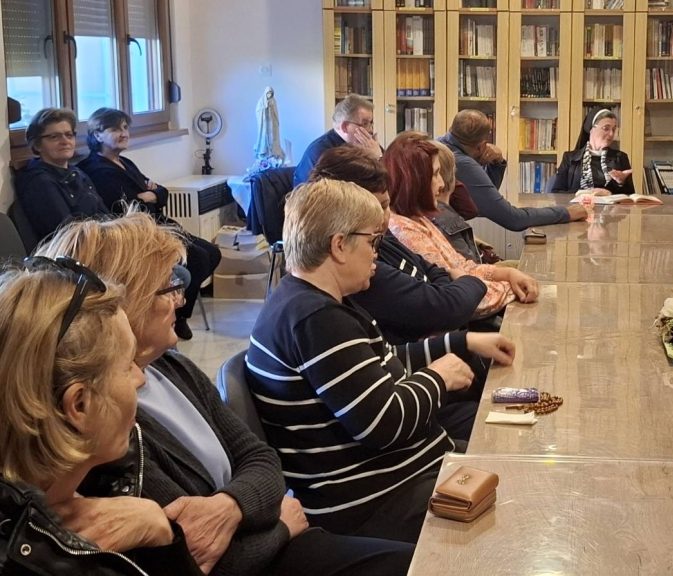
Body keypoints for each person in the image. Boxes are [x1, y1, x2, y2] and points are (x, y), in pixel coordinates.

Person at [38, 213, 414, 576]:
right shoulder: (107, 421)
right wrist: (279, 524)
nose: (181, 300)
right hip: (272, 556)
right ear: (125, 302)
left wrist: (231, 506)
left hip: (279, 547)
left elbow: (262, 459)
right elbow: (199, 557)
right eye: (168, 288)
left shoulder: (171, 367)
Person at [246, 179, 515, 543]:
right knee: (520, 506)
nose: (378, 253)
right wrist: (437, 377)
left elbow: (381, 364)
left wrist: (463, 341)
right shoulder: (314, 318)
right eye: (373, 242)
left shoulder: (318, 301)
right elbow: (383, 423)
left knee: (512, 462)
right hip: (375, 503)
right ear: (339, 245)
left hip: (398, 480)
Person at [0, 260, 201, 575]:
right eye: (127, 365)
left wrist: (158, 528)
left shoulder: (99, 482)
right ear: (79, 405)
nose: (140, 378)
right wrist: (160, 529)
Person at [309, 145, 493, 343]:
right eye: (374, 207)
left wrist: (451, 284)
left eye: (385, 205)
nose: (382, 217)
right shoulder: (364, 267)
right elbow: (445, 310)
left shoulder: (383, 240)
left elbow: (435, 271)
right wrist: (471, 281)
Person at [78, 107, 222, 341]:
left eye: (125, 127)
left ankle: (178, 310)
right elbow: (126, 207)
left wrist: (153, 196)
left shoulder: (125, 162)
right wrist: (148, 196)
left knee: (212, 252)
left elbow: (161, 192)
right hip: (137, 232)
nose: (124, 133)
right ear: (97, 135)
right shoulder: (95, 169)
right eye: (115, 128)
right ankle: (176, 316)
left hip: (158, 223)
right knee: (197, 258)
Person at [384, 133, 539, 310]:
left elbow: (463, 267)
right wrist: (512, 288)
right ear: (414, 180)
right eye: (435, 175)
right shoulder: (404, 230)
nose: (442, 183)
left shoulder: (418, 218)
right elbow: (456, 295)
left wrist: (507, 274)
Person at [439, 109, 588, 230]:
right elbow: (514, 219)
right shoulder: (461, 163)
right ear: (481, 146)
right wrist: (566, 212)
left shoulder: (440, 144)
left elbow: (484, 199)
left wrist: (496, 164)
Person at [14, 108, 109, 242]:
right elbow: (67, 234)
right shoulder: (39, 181)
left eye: (69, 135)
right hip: (74, 252)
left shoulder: (78, 173)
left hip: (100, 239)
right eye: (54, 137)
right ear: (37, 144)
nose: (65, 141)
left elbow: (106, 215)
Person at [293, 94, 381, 186]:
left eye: (371, 123)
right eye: (365, 123)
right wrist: (376, 159)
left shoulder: (364, 144)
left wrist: (379, 157)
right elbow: (346, 192)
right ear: (345, 127)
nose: (371, 130)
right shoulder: (323, 152)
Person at [549, 108, 635, 196]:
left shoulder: (621, 158)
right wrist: (583, 194)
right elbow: (557, 193)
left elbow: (630, 198)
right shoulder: (570, 158)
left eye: (614, 129)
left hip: (610, 209)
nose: (611, 134)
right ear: (591, 129)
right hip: (577, 208)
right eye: (606, 128)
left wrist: (621, 183)